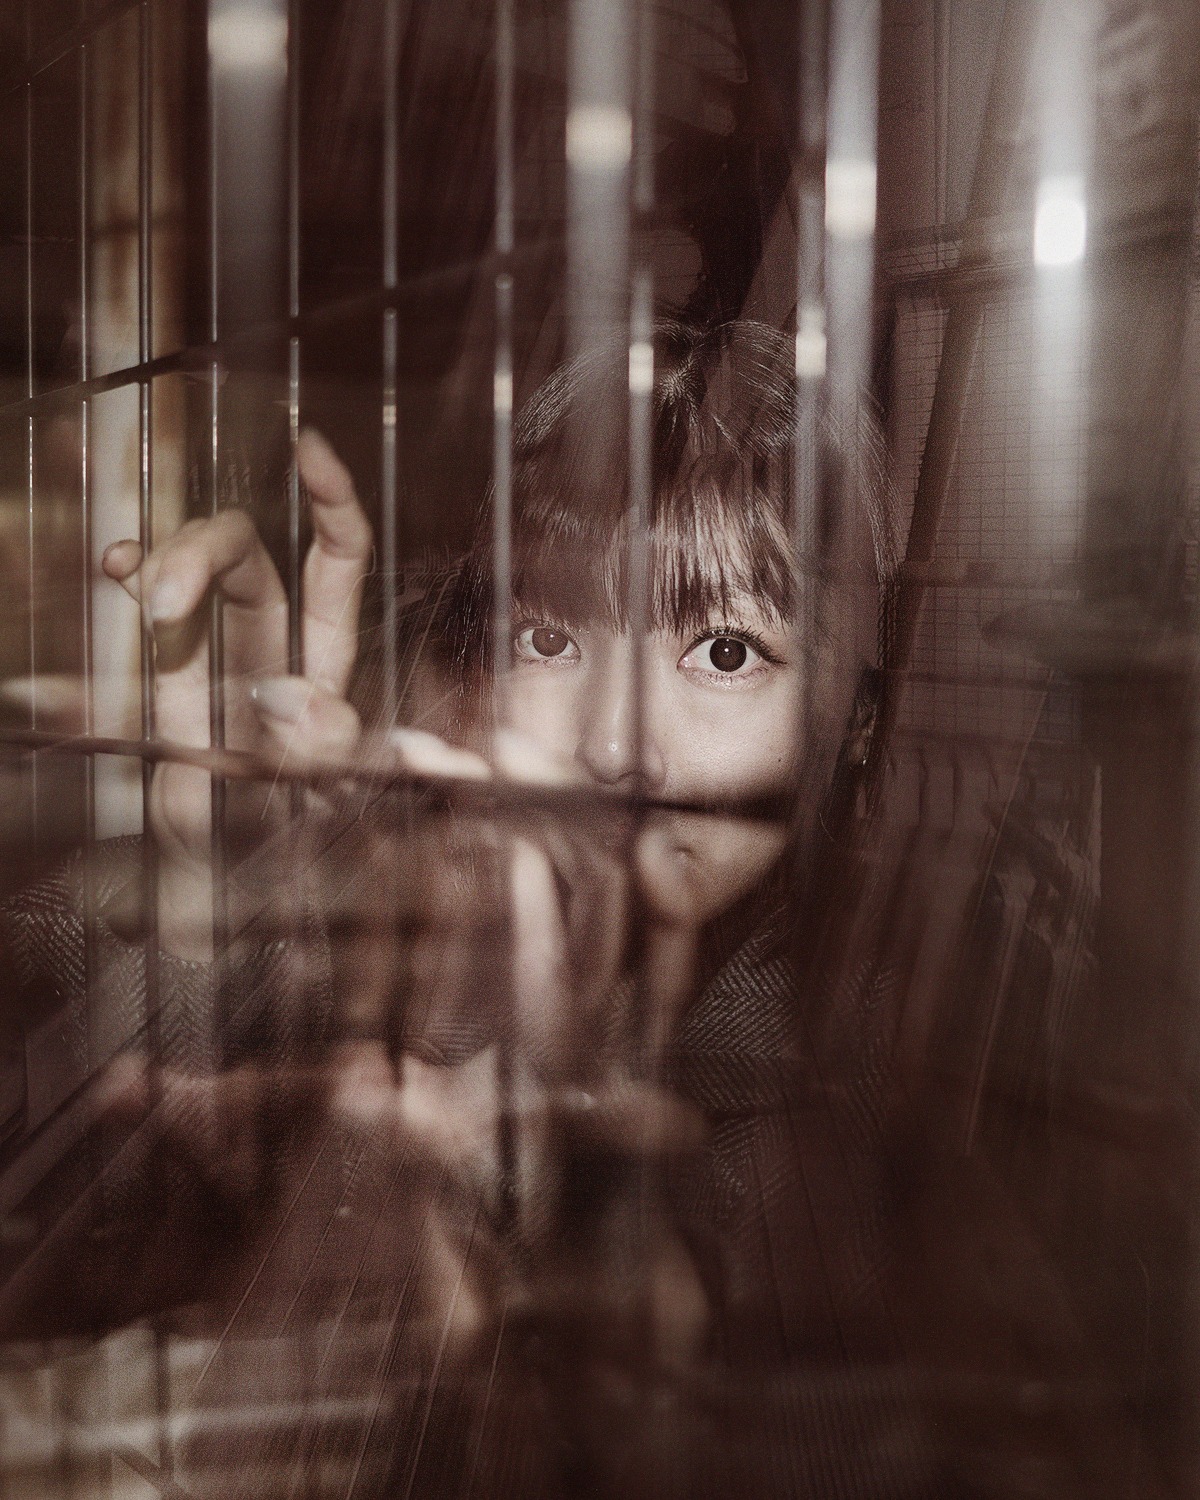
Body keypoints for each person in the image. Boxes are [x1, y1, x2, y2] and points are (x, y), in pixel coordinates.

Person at [0, 318, 935, 1497]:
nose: (613, 746)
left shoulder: (856, 1101)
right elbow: (103, 1166)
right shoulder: (440, 947)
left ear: (857, 721)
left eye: (727, 653)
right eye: (550, 636)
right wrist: (215, 884)